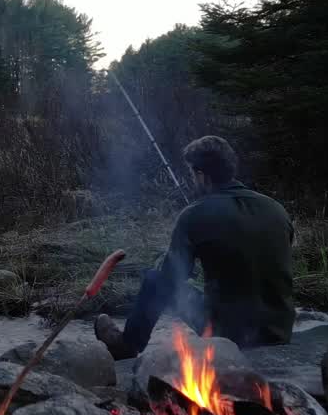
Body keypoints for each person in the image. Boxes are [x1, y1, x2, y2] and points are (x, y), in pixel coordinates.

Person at [94, 135, 295, 358]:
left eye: (192, 173)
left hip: (230, 335)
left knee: (155, 280)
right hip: (279, 332)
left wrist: (163, 262)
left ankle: (128, 344)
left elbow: (171, 277)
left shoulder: (194, 214)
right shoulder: (276, 209)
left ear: (201, 175)